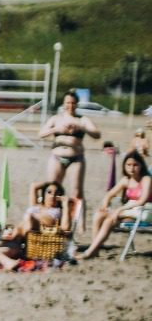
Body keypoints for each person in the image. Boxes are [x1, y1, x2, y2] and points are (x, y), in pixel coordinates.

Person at [38, 90, 99, 223]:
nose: (70, 105)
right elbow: (41, 133)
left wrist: (81, 127)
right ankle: (51, 220)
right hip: (57, 156)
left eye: (73, 103)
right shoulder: (56, 119)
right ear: (64, 103)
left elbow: (96, 134)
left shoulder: (82, 119)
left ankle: (78, 223)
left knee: (77, 192)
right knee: (52, 190)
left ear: (76, 104)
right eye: (67, 103)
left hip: (75, 158)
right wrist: (56, 129)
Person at [79, 152, 152, 259]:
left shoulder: (146, 179)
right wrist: (105, 203)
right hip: (129, 210)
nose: (132, 168)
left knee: (110, 220)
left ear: (141, 165)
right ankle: (95, 250)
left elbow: (142, 200)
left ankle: (90, 252)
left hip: (144, 210)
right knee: (99, 215)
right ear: (124, 166)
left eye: (135, 165)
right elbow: (110, 194)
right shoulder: (126, 180)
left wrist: (119, 209)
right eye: (129, 165)